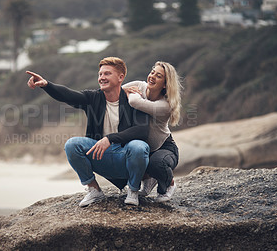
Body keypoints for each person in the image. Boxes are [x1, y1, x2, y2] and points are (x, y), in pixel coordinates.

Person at [26, 57, 150, 207]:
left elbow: (142, 130)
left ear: (121, 77)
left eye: (107, 74)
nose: (102, 78)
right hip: (102, 155)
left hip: (126, 155)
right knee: (72, 144)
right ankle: (94, 190)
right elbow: (69, 95)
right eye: (100, 74)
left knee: (139, 146)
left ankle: (133, 190)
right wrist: (46, 85)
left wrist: (109, 139)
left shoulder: (134, 99)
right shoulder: (93, 98)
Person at [122, 61, 182, 202]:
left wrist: (128, 92)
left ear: (165, 84)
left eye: (158, 76)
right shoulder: (139, 85)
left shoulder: (165, 106)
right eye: (152, 72)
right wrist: (123, 90)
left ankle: (170, 184)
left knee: (156, 164)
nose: (152, 76)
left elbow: (135, 102)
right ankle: (148, 179)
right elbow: (113, 92)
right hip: (144, 147)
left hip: (164, 147)